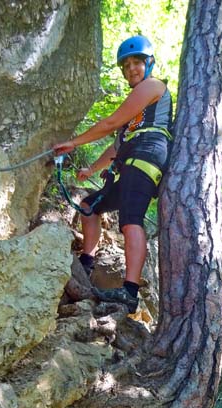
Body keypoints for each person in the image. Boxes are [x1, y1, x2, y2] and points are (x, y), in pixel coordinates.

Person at [53, 35, 172, 313]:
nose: (132, 69)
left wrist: (74, 142)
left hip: (146, 158)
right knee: (89, 206)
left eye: (138, 63)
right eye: (127, 65)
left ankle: (130, 292)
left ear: (150, 64)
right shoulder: (137, 116)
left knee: (130, 220)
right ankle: (87, 261)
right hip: (132, 160)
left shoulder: (154, 86)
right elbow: (117, 144)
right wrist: (91, 169)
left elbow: (111, 122)